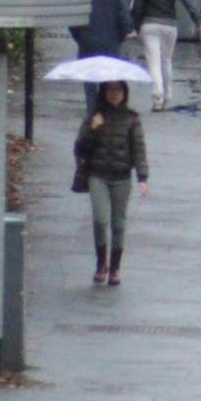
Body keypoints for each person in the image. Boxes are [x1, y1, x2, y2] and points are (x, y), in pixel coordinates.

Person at [75, 80, 149, 285]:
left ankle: (115, 267)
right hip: (98, 175)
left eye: (118, 90)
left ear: (124, 93)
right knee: (100, 220)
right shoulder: (94, 117)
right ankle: (101, 263)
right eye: (110, 90)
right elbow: (80, 148)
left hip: (121, 177)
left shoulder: (132, 119)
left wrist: (142, 177)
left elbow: (139, 150)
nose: (114, 94)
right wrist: (93, 128)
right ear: (104, 92)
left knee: (118, 223)